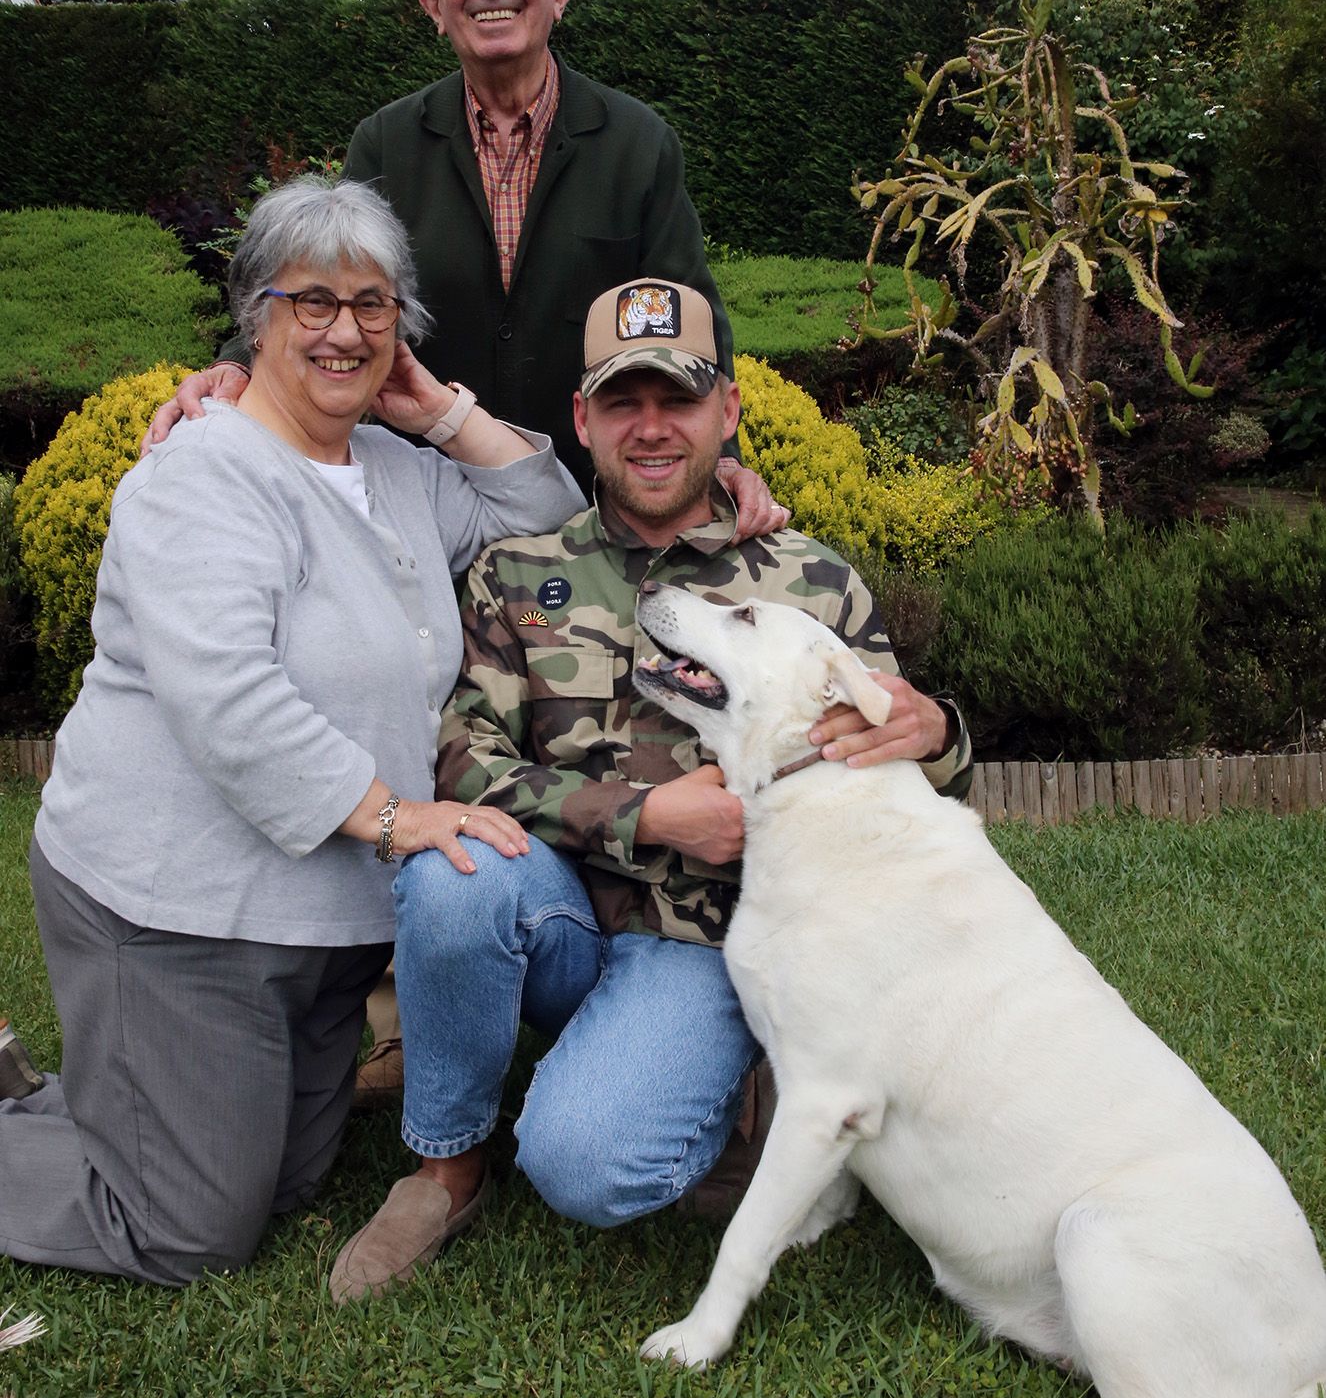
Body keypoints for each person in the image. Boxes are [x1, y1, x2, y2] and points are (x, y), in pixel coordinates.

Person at [329, 276, 971, 1304]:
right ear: (582, 418)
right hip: (554, 918)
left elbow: (892, 771)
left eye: (679, 397)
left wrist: (940, 732)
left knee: (589, 1166)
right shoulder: (515, 571)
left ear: (728, 409)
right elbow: (463, 762)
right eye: (624, 400)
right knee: (450, 874)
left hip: (709, 949)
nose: (654, 428)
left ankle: (726, 1078)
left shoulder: (810, 582)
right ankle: (445, 1165)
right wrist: (644, 816)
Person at [0, 178, 583, 1286]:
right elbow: (228, 695)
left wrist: (438, 409)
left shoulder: (400, 473)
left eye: (373, 304)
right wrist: (397, 817)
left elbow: (545, 519)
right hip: (174, 904)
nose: (344, 328)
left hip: (316, 922)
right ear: (255, 312)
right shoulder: (203, 471)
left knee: (287, 1177)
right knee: (187, 1226)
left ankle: (71, 1099)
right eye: (310, 299)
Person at [145, 0, 781, 529]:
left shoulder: (636, 143)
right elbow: (320, 283)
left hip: (600, 510)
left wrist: (722, 459)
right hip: (434, 506)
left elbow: (688, 309)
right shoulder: (388, 142)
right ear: (433, 7)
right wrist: (233, 364)